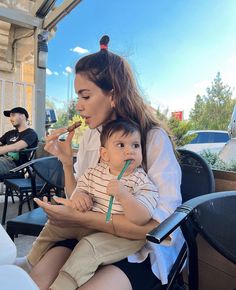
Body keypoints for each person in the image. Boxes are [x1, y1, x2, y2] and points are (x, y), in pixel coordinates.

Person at [29, 35, 183, 290]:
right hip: (89, 235)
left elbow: (158, 228)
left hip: (140, 249)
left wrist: (85, 220)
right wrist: (66, 163)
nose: (78, 106)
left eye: (85, 96)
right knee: (37, 281)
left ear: (113, 94)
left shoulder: (152, 139)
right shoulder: (93, 136)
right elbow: (83, 197)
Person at [18, 119, 159, 289]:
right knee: (54, 225)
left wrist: (124, 195)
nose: (130, 151)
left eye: (136, 145)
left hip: (124, 237)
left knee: (87, 248)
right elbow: (78, 190)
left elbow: (142, 218)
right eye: (121, 145)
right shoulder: (95, 172)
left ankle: (63, 285)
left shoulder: (141, 181)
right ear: (104, 154)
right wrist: (80, 197)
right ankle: (29, 262)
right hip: (93, 227)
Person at [0, 107, 38, 175]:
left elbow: (16, 147)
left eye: (13, 115)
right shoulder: (10, 133)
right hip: (2, 160)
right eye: (10, 116)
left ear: (22, 116)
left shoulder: (31, 134)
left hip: (13, 165)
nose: (10, 119)